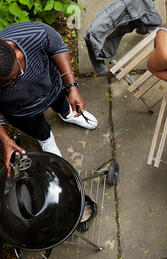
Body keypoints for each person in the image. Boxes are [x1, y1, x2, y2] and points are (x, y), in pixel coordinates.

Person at [0, 21, 98, 170]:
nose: (15, 82)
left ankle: (67, 114)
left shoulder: (34, 33)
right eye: (6, 83)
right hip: (21, 111)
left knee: (62, 103)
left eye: (16, 73)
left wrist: (72, 87)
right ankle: (46, 139)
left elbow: (57, 47)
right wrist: (5, 139)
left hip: (52, 87)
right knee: (36, 127)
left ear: (15, 50)